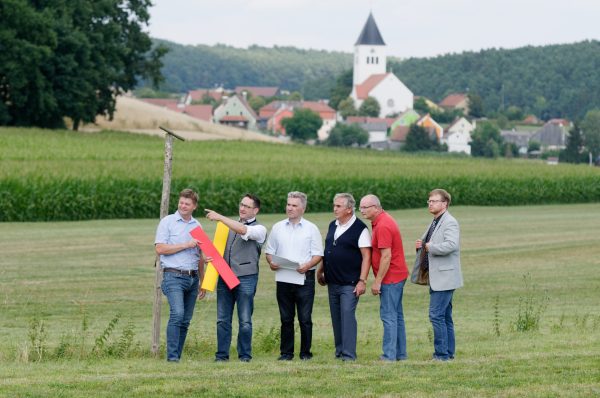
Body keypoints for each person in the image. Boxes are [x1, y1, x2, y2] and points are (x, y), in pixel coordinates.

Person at [205, 194, 267, 363]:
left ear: (256, 210)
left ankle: (245, 356)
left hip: (246, 277)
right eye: (241, 204)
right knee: (222, 320)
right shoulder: (226, 226)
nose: (242, 208)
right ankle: (221, 356)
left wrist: (219, 217)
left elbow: (243, 230)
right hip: (224, 277)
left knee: (245, 320)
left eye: (247, 206)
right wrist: (210, 259)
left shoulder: (260, 229)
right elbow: (219, 250)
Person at [265, 191, 323, 361]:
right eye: (288, 204)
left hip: (304, 278)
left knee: (305, 318)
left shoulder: (311, 229)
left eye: (294, 205)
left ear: (303, 208)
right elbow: (270, 251)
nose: (289, 208)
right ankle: (286, 353)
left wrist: (307, 266)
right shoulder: (277, 227)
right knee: (286, 318)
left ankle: (305, 353)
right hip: (283, 278)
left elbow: (318, 255)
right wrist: (271, 262)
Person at [317, 193, 371, 361]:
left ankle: (349, 355)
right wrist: (320, 270)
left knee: (347, 316)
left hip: (350, 283)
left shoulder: (360, 229)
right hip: (332, 281)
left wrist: (362, 281)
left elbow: (366, 257)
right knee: (336, 318)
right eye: (334, 205)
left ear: (349, 209)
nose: (335, 209)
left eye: (339, 206)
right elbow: (328, 251)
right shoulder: (333, 225)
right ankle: (339, 351)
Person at [412, 188, 463, 361]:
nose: (430, 204)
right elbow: (431, 242)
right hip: (438, 277)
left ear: (445, 203)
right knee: (445, 316)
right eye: (429, 201)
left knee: (436, 315)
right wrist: (422, 244)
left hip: (445, 277)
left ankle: (441, 355)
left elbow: (451, 245)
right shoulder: (435, 221)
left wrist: (430, 247)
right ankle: (448, 353)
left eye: (434, 201)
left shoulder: (449, 222)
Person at [155, 188, 206, 362]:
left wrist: (203, 281)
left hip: (193, 278)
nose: (183, 206)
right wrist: (186, 244)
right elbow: (160, 248)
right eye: (181, 202)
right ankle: (172, 358)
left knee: (185, 320)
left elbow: (200, 256)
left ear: (194, 206)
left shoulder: (197, 225)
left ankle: (177, 355)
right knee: (177, 314)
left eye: (187, 204)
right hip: (173, 276)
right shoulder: (168, 222)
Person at [359, 194, 409, 361]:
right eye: (361, 207)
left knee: (388, 316)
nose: (362, 210)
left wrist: (378, 281)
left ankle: (389, 356)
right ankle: (400, 354)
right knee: (396, 315)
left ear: (376, 208)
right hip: (398, 275)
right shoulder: (382, 220)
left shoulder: (383, 226)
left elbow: (386, 256)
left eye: (365, 207)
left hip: (391, 277)